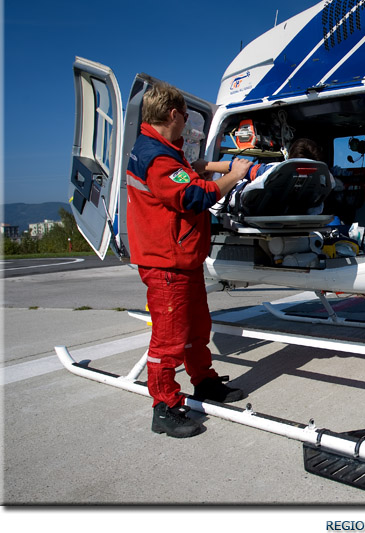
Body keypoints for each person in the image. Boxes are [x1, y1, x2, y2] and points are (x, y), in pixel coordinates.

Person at [126, 82, 254, 438]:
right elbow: (193, 197)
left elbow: (186, 181)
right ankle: (164, 406)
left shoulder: (165, 151)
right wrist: (233, 177)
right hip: (167, 265)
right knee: (168, 341)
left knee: (197, 330)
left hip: (183, 260)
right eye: (185, 116)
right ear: (173, 115)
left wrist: (207, 167)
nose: (187, 122)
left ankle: (204, 381)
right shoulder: (158, 157)